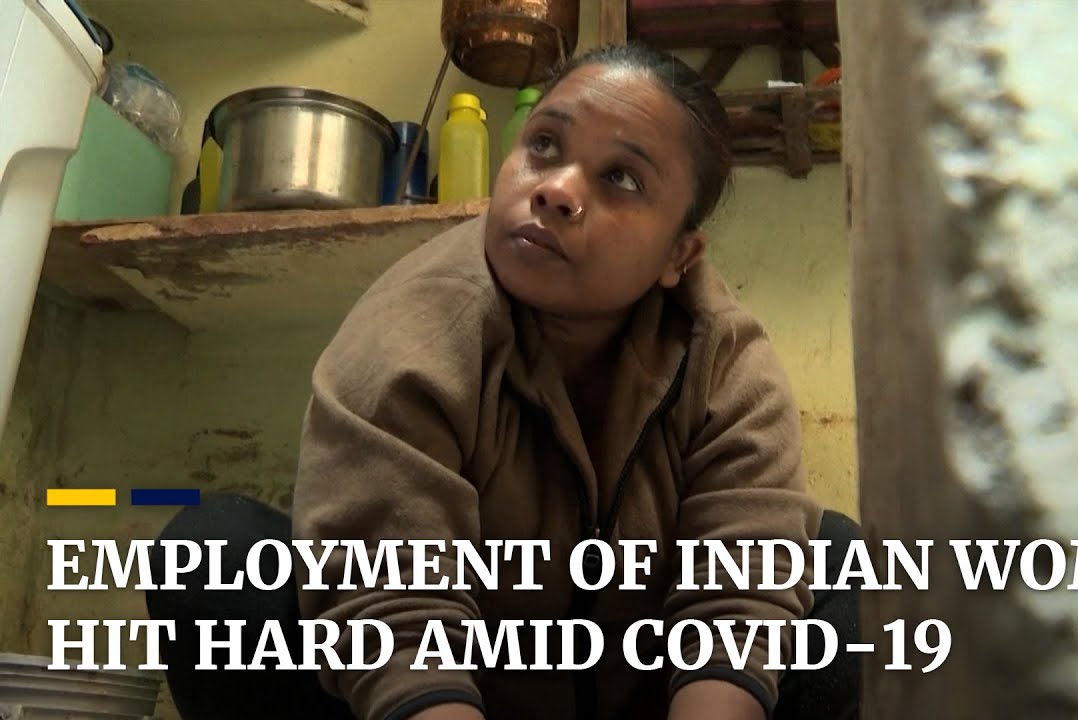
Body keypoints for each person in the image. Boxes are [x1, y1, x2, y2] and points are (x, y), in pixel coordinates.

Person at [146, 43, 861, 720]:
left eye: (621, 178)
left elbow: (738, 605)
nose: (556, 190)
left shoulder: (723, 358)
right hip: (443, 700)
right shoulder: (416, 330)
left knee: (845, 563)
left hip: (652, 702)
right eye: (544, 145)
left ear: (680, 254)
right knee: (213, 554)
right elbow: (393, 616)